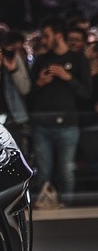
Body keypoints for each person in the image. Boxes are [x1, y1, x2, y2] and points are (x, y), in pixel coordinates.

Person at [29, 17, 93, 207]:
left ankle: (68, 207)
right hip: (42, 124)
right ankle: (44, 205)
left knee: (66, 171)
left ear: (58, 36)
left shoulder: (78, 59)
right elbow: (29, 94)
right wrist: (40, 83)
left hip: (68, 125)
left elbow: (86, 93)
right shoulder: (42, 60)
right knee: (44, 171)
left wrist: (68, 78)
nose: (44, 40)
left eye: (46, 35)